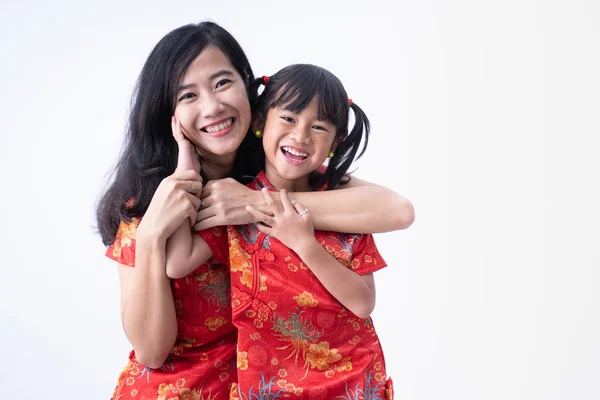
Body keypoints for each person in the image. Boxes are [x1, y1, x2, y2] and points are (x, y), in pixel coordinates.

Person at [96, 22, 413, 400]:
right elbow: (151, 350)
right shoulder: (148, 202)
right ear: (169, 114)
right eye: (188, 96)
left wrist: (258, 206)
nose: (212, 107)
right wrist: (150, 236)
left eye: (222, 83)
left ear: (249, 89)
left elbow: (397, 211)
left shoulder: (284, 170)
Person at [166, 64, 394, 399]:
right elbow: (177, 262)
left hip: (353, 384)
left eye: (318, 127)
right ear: (260, 122)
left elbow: (363, 303)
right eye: (288, 118)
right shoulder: (236, 203)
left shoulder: (342, 206)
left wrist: (305, 243)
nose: (301, 136)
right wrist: (187, 163)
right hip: (272, 388)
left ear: (335, 142)